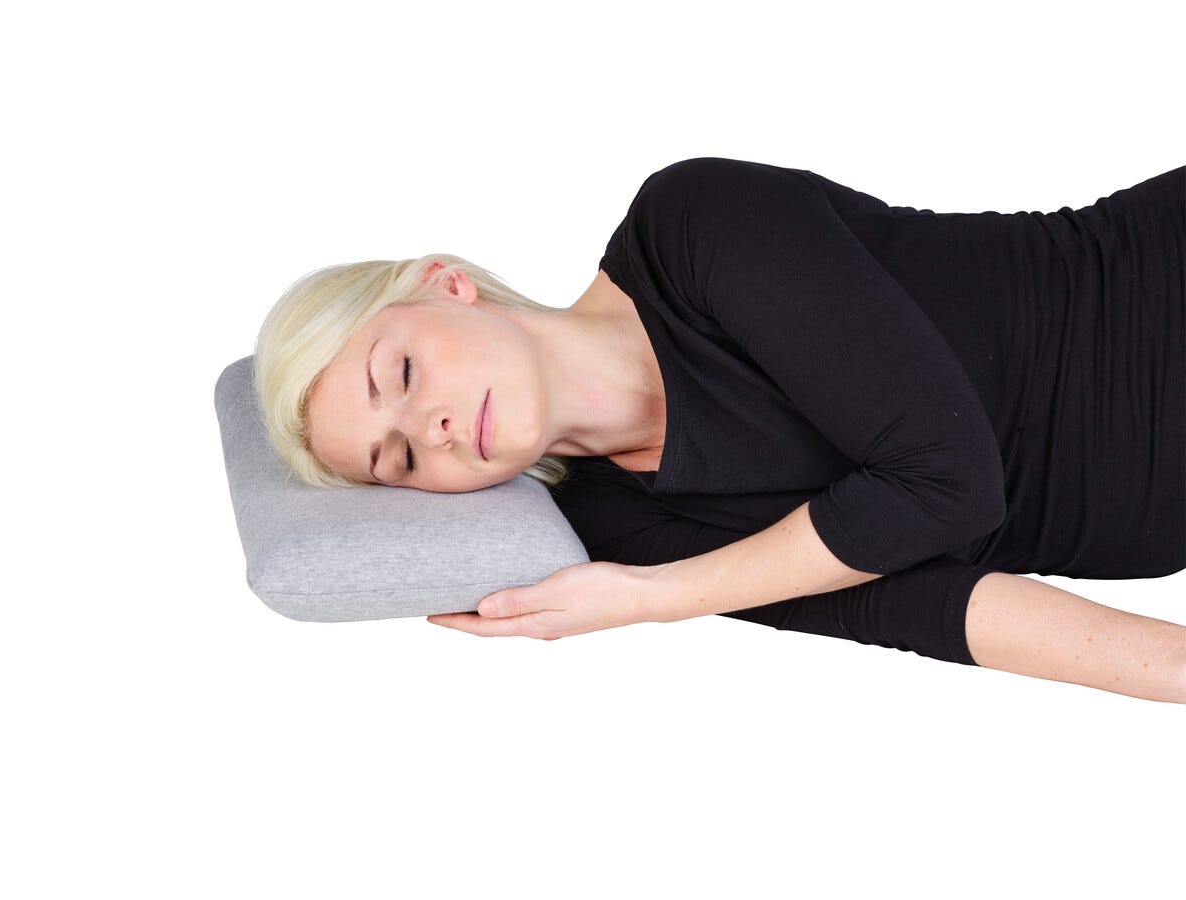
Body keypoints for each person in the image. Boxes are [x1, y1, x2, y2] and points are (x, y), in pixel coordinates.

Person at [253, 157, 1185, 703]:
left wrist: (659, 597)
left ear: (445, 284)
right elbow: (928, 610)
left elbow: (949, 483)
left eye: (401, 375)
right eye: (400, 459)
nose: (436, 428)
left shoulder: (692, 227)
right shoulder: (617, 534)